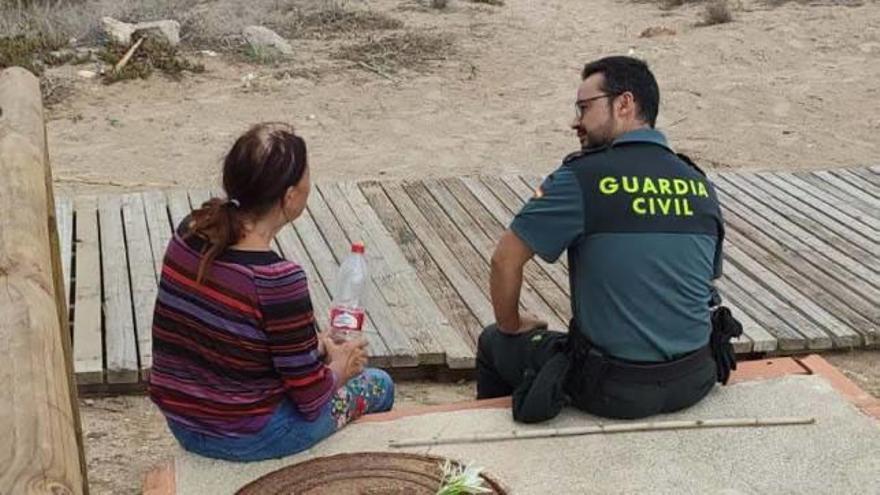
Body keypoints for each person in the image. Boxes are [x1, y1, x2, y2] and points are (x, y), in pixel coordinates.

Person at [477, 56, 737, 422]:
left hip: (613, 390)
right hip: (695, 377)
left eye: (584, 108)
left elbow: (505, 260)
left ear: (624, 104)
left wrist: (511, 323)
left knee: (493, 342)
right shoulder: (697, 183)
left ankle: (506, 446)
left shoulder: (581, 178)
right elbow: (705, 281)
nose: (576, 122)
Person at [149, 122, 394, 461]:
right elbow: (311, 399)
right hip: (248, 435)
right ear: (290, 196)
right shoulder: (277, 280)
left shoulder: (191, 230)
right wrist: (342, 366)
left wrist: (317, 347)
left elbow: (238, 336)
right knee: (379, 384)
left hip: (182, 419)